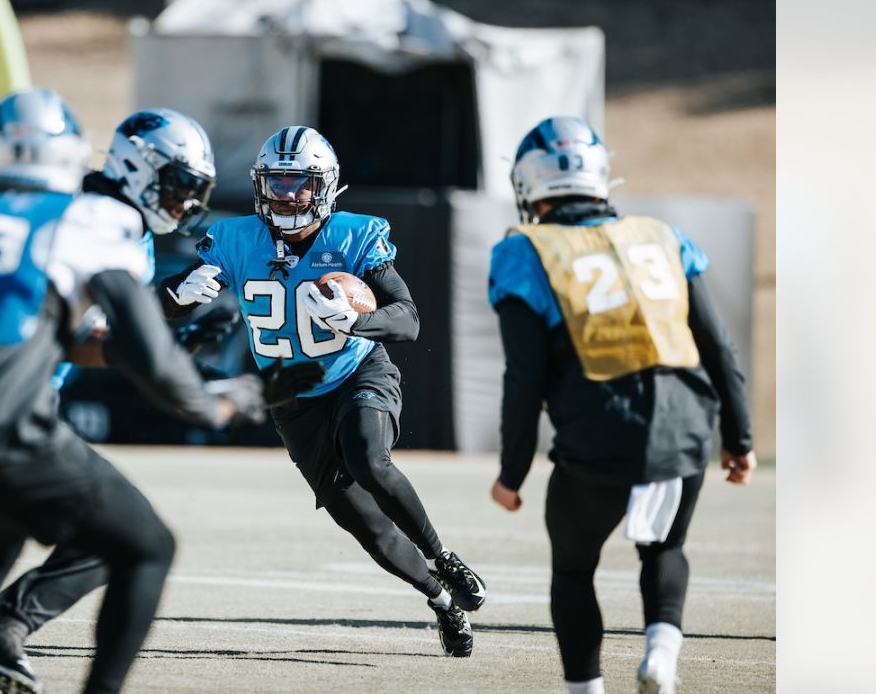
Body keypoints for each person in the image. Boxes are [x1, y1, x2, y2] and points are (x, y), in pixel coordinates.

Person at [0, 92, 322, 694]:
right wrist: (226, 397)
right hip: (7, 408)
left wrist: (170, 335)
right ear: (139, 166)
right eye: (180, 183)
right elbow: (121, 344)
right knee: (123, 541)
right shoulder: (95, 217)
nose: (186, 202)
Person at [157, 125, 487, 658]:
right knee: (368, 529)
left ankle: (444, 557)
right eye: (276, 182)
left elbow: (409, 321)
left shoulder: (354, 237)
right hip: (292, 395)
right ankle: (441, 602)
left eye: (298, 182)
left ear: (325, 186)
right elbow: (162, 307)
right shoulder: (236, 240)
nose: (286, 195)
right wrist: (177, 293)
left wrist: (356, 322)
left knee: (368, 457)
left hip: (358, 370)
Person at [486, 116, 756, 694]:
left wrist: (511, 473)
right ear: (600, 175)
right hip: (686, 426)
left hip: (599, 433)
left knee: (573, 569)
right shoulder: (662, 235)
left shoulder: (524, 251)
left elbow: (524, 377)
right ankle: (661, 650)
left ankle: (586, 687)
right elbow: (719, 347)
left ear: (529, 185)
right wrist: (741, 439)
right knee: (665, 546)